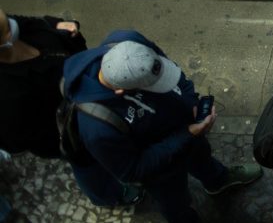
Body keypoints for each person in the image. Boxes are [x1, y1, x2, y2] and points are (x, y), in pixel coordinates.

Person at [62, 30, 262, 222]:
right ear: (121, 91)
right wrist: (186, 134)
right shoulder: (97, 129)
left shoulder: (128, 42)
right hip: (162, 170)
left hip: (188, 132)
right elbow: (133, 170)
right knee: (175, 204)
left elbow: (173, 72)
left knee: (202, 158)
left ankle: (218, 180)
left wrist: (191, 102)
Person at [0, 8, 87, 159]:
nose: (12, 24)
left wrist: (56, 25)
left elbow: (28, 22)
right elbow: (18, 142)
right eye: (7, 30)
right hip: (76, 134)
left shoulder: (13, 27)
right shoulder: (8, 98)